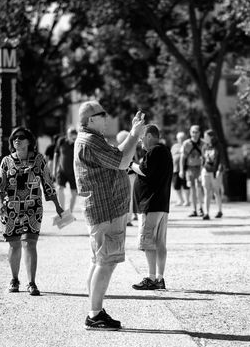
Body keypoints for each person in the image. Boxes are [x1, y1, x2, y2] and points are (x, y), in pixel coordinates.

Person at [74, 100, 146, 330]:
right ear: (91, 119)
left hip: (104, 210)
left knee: (100, 261)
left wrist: (132, 136)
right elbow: (122, 160)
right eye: (102, 114)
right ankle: (94, 315)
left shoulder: (91, 140)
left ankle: (95, 310)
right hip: (106, 210)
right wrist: (135, 134)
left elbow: (117, 157)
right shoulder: (89, 141)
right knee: (106, 262)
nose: (107, 117)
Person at [0, 127, 63, 296]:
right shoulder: (6, 161)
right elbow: (0, 186)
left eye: (21, 137)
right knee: (14, 244)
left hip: (33, 207)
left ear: (29, 141)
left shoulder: (38, 160)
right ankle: (14, 279)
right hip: (11, 207)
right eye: (14, 138)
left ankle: (32, 282)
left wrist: (57, 205)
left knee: (30, 243)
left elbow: (47, 182)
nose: (16, 140)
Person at [130, 124, 173, 290]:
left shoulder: (154, 151)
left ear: (149, 136)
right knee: (160, 243)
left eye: (141, 138)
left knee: (148, 242)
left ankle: (151, 278)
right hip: (161, 204)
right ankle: (160, 278)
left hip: (151, 204)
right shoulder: (165, 151)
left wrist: (131, 165)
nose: (140, 141)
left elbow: (144, 170)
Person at [180, 125, 205, 217]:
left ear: (199, 133)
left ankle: (201, 208)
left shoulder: (203, 143)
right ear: (190, 132)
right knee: (192, 189)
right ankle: (194, 209)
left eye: (196, 132)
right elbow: (182, 158)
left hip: (200, 168)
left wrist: (203, 170)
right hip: (190, 168)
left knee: (200, 189)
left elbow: (205, 158)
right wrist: (181, 170)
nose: (195, 134)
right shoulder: (186, 143)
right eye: (193, 132)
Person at [53, 127, 79, 213]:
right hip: (62, 171)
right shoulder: (61, 141)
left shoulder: (78, 144)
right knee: (59, 189)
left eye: (75, 137)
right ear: (68, 135)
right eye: (72, 137)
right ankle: (62, 210)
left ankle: (70, 211)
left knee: (74, 193)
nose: (74, 139)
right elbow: (56, 155)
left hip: (73, 172)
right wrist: (54, 169)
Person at [200, 129, 224, 220]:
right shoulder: (204, 147)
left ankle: (219, 210)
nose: (204, 138)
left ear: (211, 137)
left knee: (216, 191)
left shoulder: (218, 146)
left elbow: (221, 159)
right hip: (206, 171)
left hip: (215, 172)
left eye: (206, 136)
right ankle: (206, 213)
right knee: (207, 192)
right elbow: (202, 160)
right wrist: (201, 171)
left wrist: (219, 170)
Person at [170, 131, 190, 206]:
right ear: (177, 139)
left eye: (183, 138)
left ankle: (187, 201)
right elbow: (171, 156)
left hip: (185, 168)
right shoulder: (174, 146)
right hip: (175, 169)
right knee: (176, 186)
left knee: (186, 185)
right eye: (180, 138)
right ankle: (181, 200)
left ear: (185, 138)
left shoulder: (187, 145)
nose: (181, 139)